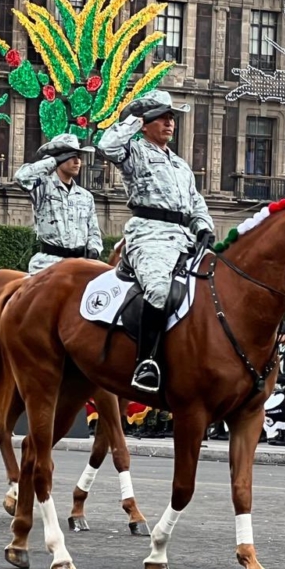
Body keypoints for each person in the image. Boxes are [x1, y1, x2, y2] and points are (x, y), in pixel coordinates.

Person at [98, 90, 214, 394]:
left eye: (172, 117)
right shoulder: (135, 152)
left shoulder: (180, 165)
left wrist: (203, 225)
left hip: (184, 237)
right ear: (146, 123)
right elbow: (106, 146)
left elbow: (196, 201)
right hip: (149, 235)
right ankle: (145, 363)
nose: (170, 123)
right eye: (162, 117)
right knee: (159, 289)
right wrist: (134, 120)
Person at [15, 133, 102, 275]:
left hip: (79, 266)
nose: (77, 161)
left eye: (78, 157)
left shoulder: (86, 197)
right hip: (47, 266)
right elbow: (21, 177)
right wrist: (53, 160)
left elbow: (93, 231)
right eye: (71, 156)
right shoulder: (42, 186)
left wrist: (94, 249)